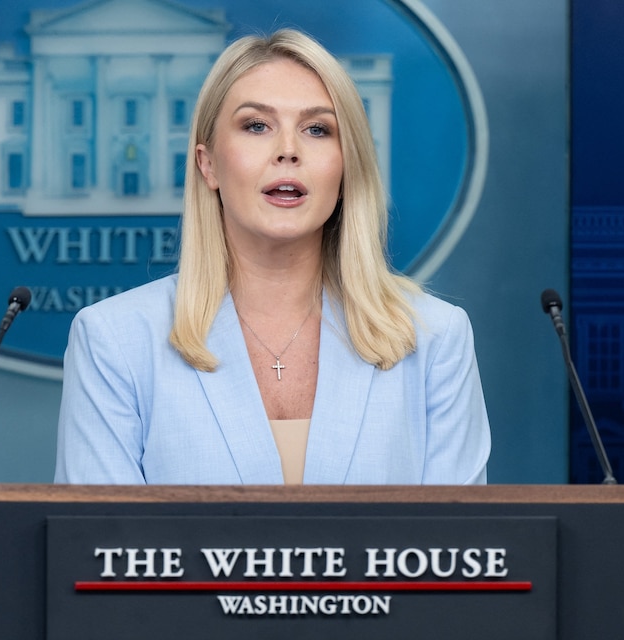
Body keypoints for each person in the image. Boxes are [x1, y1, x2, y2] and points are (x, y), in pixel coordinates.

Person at [54, 29, 490, 485]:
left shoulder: (436, 338)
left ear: (347, 167)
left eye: (317, 129)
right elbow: (100, 532)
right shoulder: (114, 341)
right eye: (257, 126)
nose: (288, 151)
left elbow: (456, 532)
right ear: (208, 164)